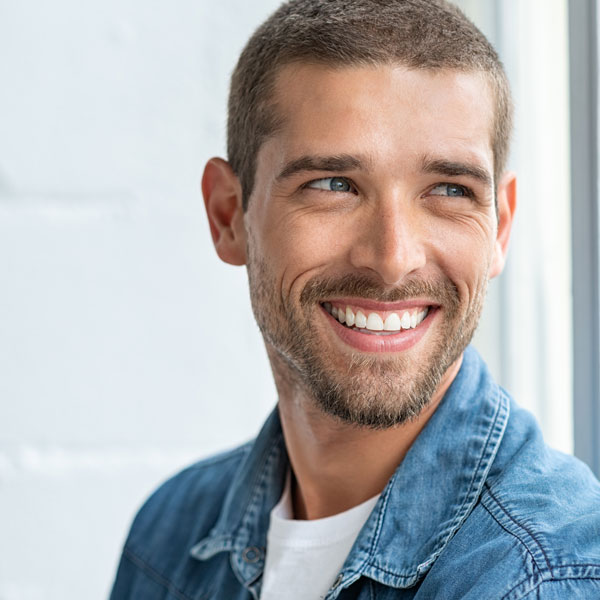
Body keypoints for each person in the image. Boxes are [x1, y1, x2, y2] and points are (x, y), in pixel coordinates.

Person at [110, 1, 600, 598]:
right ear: (228, 215)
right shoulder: (169, 534)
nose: (393, 259)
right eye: (334, 185)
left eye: (449, 190)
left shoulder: (546, 576)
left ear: (499, 227)